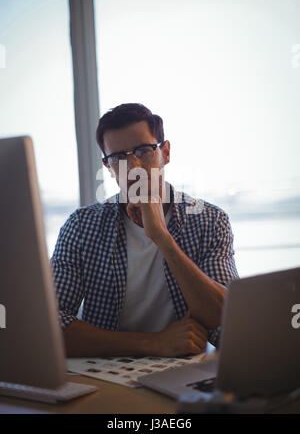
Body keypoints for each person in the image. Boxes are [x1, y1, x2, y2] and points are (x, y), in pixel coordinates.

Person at [51, 103, 239, 358]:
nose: (134, 166)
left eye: (143, 150)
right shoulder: (82, 226)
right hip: (106, 377)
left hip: (180, 377)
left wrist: (162, 237)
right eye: (118, 157)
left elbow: (228, 320)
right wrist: (153, 343)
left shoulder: (210, 221)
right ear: (108, 167)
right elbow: (49, 326)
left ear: (166, 152)